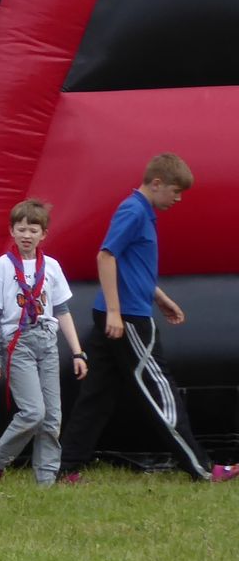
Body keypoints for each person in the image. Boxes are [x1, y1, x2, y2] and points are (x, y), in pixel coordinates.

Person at [59, 154, 236, 482]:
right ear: (156, 184)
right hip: (127, 318)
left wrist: (161, 298)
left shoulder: (143, 212)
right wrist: (115, 311)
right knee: (161, 391)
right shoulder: (133, 210)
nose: (178, 198)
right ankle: (202, 468)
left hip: (121, 311)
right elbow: (106, 256)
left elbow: (133, 265)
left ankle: (67, 468)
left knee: (97, 395)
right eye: (175, 191)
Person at [0, 199, 87, 486]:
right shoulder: (3, 266)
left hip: (47, 342)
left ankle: (46, 481)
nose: (27, 235)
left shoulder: (50, 266)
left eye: (33, 230)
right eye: (21, 229)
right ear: (12, 231)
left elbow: (61, 310)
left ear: (44, 234)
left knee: (52, 416)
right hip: (18, 343)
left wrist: (78, 352)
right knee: (33, 412)